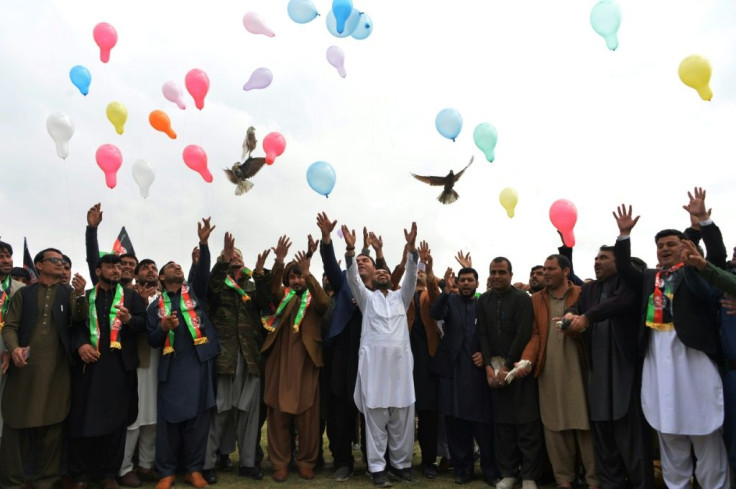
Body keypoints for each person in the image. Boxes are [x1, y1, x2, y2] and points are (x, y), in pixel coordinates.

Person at [613, 190, 730, 488]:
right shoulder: (649, 277)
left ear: (685, 247)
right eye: (660, 246)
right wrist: (624, 235)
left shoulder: (696, 273)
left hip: (694, 360)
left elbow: (717, 257)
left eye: (671, 244)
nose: (664, 249)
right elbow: (624, 268)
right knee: (668, 431)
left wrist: (704, 220)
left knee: (705, 432)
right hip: (658, 364)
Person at [563, 246, 654, 488]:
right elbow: (575, 308)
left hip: (625, 370)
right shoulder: (590, 289)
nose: (597, 262)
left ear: (619, 261)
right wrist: (570, 317)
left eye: (604, 257)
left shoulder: (631, 283)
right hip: (598, 373)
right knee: (603, 435)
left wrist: (588, 317)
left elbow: (620, 303)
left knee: (631, 437)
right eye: (595, 258)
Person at [0, 248, 87, 489]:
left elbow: (79, 319)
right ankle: (12, 483)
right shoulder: (24, 295)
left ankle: (45, 483)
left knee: (51, 430)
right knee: (15, 426)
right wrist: (14, 348)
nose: (61, 264)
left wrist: (80, 296)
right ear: (39, 265)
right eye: (55, 260)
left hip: (56, 374)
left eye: (63, 261)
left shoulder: (68, 293)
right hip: (23, 371)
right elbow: (9, 326)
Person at [146, 218, 220, 489]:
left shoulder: (195, 295)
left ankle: (193, 469)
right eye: (170, 267)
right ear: (162, 278)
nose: (177, 267)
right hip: (172, 370)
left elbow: (202, 273)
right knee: (169, 423)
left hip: (199, 366)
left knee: (199, 421)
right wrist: (163, 328)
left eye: (179, 266)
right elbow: (153, 340)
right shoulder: (156, 308)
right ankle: (166, 471)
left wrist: (204, 243)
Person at [346, 222, 419, 488]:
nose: (380, 273)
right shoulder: (366, 299)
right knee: (375, 420)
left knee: (401, 419)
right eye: (376, 273)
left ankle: (401, 466)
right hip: (374, 369)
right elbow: (353, 278)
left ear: (390, 277)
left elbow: (411, 274)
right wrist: (352, 250)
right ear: (373, 280)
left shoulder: (402, 298)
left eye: (383, 272)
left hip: (400, 369)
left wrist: (411, 250)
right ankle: (378, 469)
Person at [68, 254, 146, 489]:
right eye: (110, 266)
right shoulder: (86, 296)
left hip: (119, 368)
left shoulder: (131, 297)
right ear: (98, 271)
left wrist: (130, 319)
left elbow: (144, 325)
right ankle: (81, 474)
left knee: (116, 422)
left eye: (119, 267)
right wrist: (81, 344)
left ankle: (108, 474)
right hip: (88, 367)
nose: (116, 270)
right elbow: (73, 325)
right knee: (84, 419)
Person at [520, 254, 598, 489]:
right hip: (549, 369)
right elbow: (534, 334)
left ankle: (595, 481)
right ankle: (563, 480)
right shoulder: (535, 300)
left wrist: (575, 328)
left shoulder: (582, 293)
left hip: (579, 367)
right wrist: (526, 360)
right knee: (554, 426)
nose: (545, 273)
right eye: (544, 269)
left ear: (565, 271)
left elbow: (591, 326)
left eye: (551, 269)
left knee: (585, 426)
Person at [317, 213, 383, 482]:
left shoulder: (382, 289)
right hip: (345, 352)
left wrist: (377, 251)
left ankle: (373, 461)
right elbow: (331, 266)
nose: (361, 263)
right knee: (341, 410)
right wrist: (327, 239)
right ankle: (343, 461)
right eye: (358, 261)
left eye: (366, 261)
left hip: (374, 354)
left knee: (372, 411)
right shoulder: (344, 282)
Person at [202, 232, 271, 483]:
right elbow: (210, 288)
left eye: (237, 256)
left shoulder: (252, 286)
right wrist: (222, 259)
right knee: (220, 411)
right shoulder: (219, 287)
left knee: (249, 414)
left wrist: (262, 273)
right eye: (230, 257)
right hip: (226, 359)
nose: (234, 258)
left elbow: (267, 301)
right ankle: (208, 462)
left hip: (250, 359)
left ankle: (249, 463)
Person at [260, 235, 329, 482]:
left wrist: (310, 274)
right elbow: (272, 288)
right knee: (277, 413)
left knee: (308, 415)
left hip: (307, 363)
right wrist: (279, 262)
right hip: (280, 362)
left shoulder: (313, 298)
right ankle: (279, 462)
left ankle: (306, 461)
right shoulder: (283, 297)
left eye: (300, 276)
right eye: (293, 276)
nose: (297, 280)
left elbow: (324, 303)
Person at [478, 257, 542, 489]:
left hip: (519, 369)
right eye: (493, 272)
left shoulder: (521, 299)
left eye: (501, 272)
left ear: (510, 275)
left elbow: (523, 333)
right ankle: (508, 473)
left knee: (526, 425)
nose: (496, 276)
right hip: (494, 371)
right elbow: (482, 334)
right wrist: (488, 367)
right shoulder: (484, 300)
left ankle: (529, 476)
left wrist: (507, 368)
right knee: (503, 425)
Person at [430, 266, 499, 485]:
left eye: (470, 280)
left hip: (477, 372)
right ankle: (463, 469)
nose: (466, 283)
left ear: (477, 283)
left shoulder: (484, 304)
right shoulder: (450, 300)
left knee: (483, 425)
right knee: (455, 423)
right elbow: (435, 314)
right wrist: (446, 292)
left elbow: (493, 334)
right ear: (457, 283)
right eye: (462, 280)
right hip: (452, 370)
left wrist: (485, 355)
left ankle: (489, 470)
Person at [118, 259, 161, 488]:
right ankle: (124, 468)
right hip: (139, 363)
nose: (151, 271)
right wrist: (143, 303)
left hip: (162, 364)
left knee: (153, 418)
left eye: (154, 268)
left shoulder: (167, 296)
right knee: (136, 417)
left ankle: (146, 465)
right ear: (136, 274)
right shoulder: (128, 294)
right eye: (145, 268)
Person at [406, 241, 442, 479]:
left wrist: (429, 270)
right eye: (415, 270)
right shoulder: (401, 296)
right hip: (404, 365)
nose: (418, 272)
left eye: (422, 270)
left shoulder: (431, 295)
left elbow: (437, 297)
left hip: (428, 363)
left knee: (428, 415)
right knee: (405, 417)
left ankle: (429, 461)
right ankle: (403, 461)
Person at [0, 240, 26, 445]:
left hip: (10, 355)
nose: (6, 260)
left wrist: (12, 349)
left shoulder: (20, 289)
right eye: (1, 256)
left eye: (8, 255)